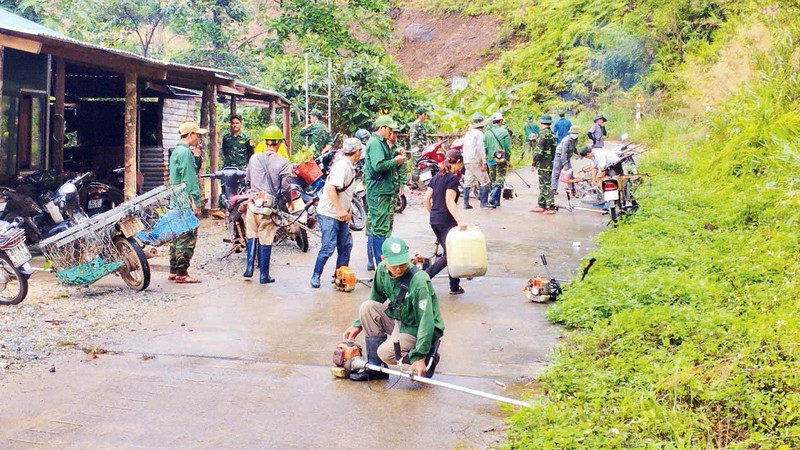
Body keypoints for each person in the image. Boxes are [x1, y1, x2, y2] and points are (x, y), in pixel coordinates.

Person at [342, 237, 445, 381]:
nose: (398, 268)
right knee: (367, 307)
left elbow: (426, 322)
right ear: (383, 259)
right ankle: (376, 370)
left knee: (385, 353)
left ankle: (427, 359)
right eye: (394, 264)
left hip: (418, 327)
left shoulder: (419, 281)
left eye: (402, 264)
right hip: (401, 319)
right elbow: (376, 298)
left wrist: (419, 356)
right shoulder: (382, 271)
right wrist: (356, 325)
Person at [243, 125, 293, 284]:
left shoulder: (254, 158)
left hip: (253, 204)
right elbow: (285, 188)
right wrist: (289, 202)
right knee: (265, 238)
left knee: (252, 235)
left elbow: (248, 181)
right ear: (278, 143)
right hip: (268, 208)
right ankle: (264, 275)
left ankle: (249, 269)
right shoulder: (284, 162)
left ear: (265, 142)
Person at [310, 138, 362, 288]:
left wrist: (349, 207)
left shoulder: (349, 166)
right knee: (328, 246)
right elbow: (331, 188)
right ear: (357, 152)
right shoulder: (342, 166)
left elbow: (346, 190)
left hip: (342, 212)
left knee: (346, 245)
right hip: (329, 212)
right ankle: (315, 275)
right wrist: (340, 209)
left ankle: (340, 276)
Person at [423, 149, 468, 295]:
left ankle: (454, 286)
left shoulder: (436, 177)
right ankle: (424, 277)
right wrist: (460, 221)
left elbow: (426, 199)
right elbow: (450, 201)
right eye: (461, 165)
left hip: (435, 220)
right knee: (450, 255)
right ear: (458, 162)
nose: (461, 168)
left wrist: (433, 213)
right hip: (446, 222)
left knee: (450, 252)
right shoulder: (451, 179)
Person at [364, 115, 406, 264]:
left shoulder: (381, 143)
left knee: (379, 226)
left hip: (384, 190)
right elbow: (378, 166)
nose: (391, 133)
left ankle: (377, 262)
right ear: (381, 127)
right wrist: (395, 161)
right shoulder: (375, 143)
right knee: (379, 228)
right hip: (379, 191)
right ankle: (380, 264)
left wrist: (394, 156)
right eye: (389, 129)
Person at [169, 121, 205, 284]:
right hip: (185, 200)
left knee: (176, 234)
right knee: (187, 235)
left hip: (176, 198)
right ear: (191, 135)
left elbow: (189, 170)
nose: (198, 138)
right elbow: (189, 179)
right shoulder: (185, 153)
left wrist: (197, 157)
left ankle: (173, 269)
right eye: (197, 134)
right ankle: (182, 273)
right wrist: (195, 201)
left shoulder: (177, 151)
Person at [461, 113, 492, 209]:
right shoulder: (479, 134)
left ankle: (465, 203)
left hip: (467, 160)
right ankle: (484, 203)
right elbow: (481, 149)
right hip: (475, 160)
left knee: (468, 181)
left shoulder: (468, 133)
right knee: (485, 181)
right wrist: (484, 162)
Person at [530, 114, 558, 214]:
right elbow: (554, 150)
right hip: (550, 162)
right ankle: (542, 204)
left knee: (546, 185)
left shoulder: (542, 134)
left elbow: (538, 151)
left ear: (541, 123)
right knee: (544, 184)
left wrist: (534, 163)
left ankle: (551, 207)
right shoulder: (553, 134)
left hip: (543, 163)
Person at [484, 112, 511, 207]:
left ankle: (496, 202)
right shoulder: (504, 132)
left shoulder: (487, 133)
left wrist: (485, 159)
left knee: (493, 180)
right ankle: (493, 197)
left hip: (490, 159)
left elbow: (485, 147)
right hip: (501, 159)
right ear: (500, 121)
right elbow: (508, 148)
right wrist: (507, 159)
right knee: (500, 179)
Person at [551, 125, 581, 195]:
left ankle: (573, 189)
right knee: (556, 173)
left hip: (567, 157)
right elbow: (563, 153)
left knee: (570, 174)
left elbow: (574, 148)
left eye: (576, 133)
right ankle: (553, 189)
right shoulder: (566, 141)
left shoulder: (576, 140)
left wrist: (579, 153)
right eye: (574, 133)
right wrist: (565, 164)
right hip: (559, 156)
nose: (575, 135)